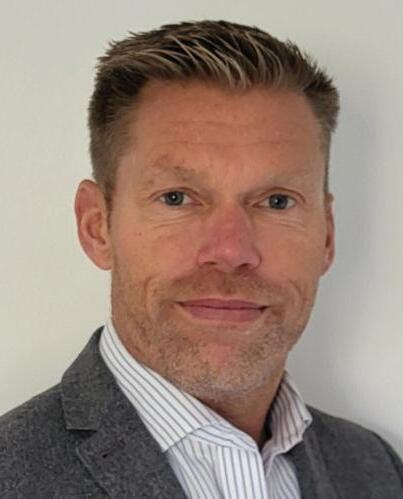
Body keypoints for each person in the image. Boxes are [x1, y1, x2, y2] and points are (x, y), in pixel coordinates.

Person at [1, 20, 402, 499]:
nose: (230, 252)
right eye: (177, 198)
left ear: (327, 235)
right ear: (97, 226)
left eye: (277, 202)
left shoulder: (375, 469)